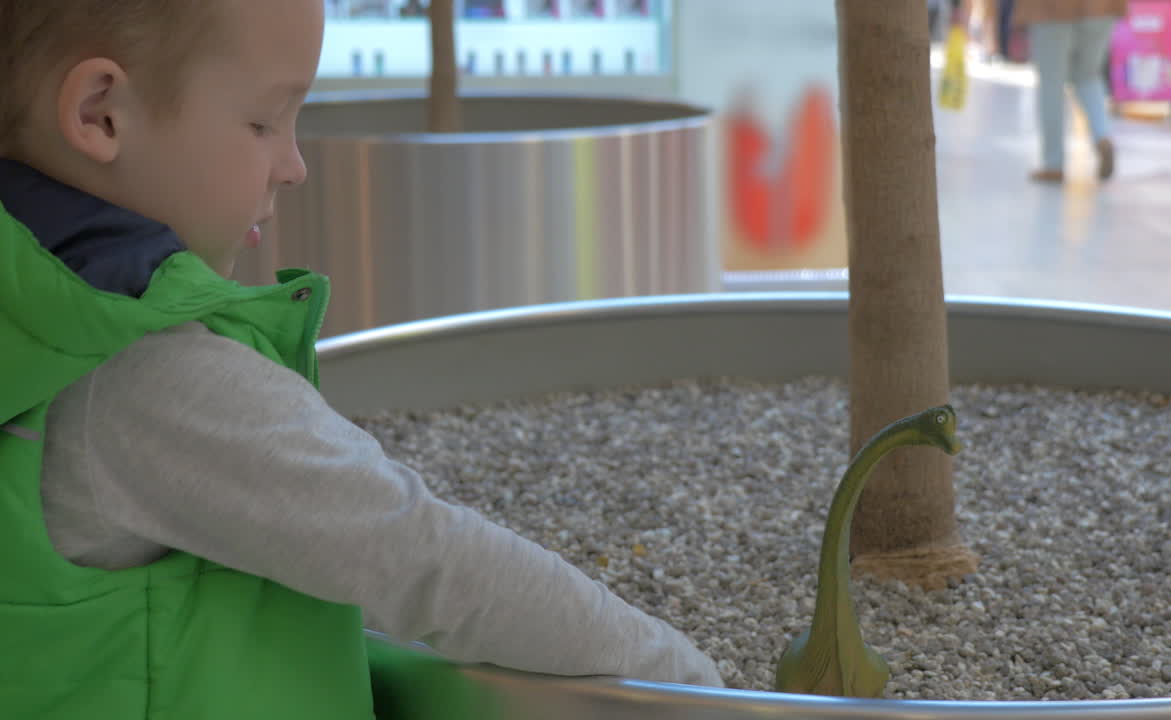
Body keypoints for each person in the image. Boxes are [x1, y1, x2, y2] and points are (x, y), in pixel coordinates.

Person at [0, 1, 722, 717]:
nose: (294, 165)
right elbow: (423, 556)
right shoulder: (152, 379)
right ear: (100, 113)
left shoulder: (29, 324)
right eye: (263, 121)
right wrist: (687, 682)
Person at [1014, 0, 1129, 183]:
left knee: (1051, 82)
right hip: (1101, 8)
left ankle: (1053, 164)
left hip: (1052, 10)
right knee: (1088, 75)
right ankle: (1102, 135)